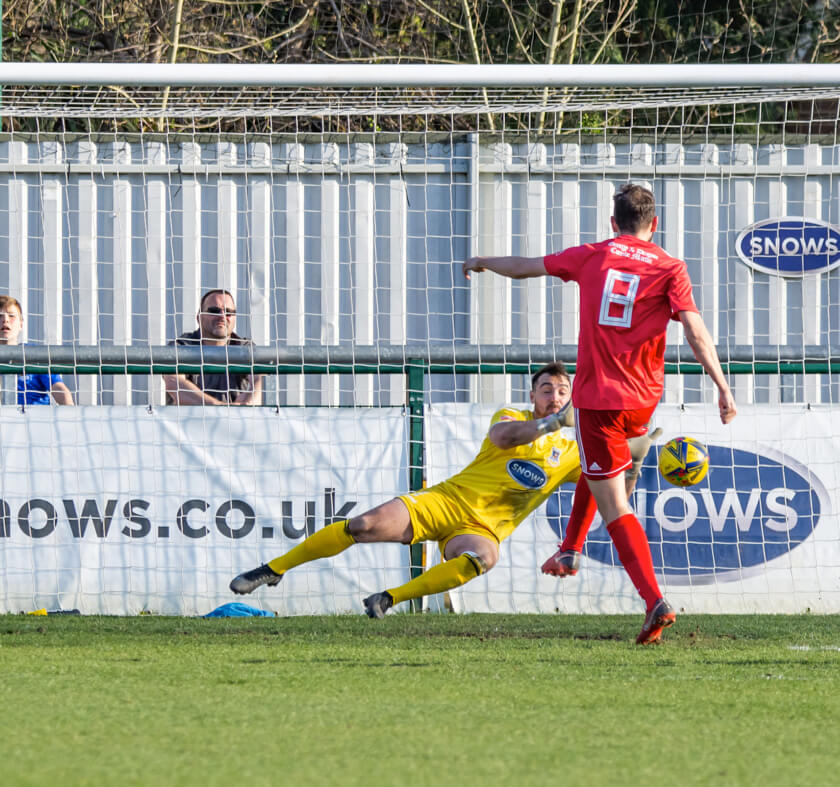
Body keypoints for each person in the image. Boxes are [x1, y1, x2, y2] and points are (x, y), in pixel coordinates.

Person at [464, 182, 737, 645]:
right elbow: (693, 329)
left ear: (613, 223)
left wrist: (484, 261)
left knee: (615, 504)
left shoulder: (592, 254)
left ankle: (654, 601)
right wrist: (722, 386)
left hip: (599, 400)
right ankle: (570, 550)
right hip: (643, 398)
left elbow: (528, 268)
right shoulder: (672, 266)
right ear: (655, 225)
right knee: (599, 467)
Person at [229, 362, 584, 617]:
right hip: (446, 501)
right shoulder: (513, 416)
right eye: (547, 389)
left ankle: (388, 599)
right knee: (362, 525)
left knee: (484, 558)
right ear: (533, 394)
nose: (555, 396)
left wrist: (636, 444)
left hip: (482, 530)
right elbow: (503, 438)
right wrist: (552, 422)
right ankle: (275, 568)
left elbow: (612, 475)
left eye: (562, 391)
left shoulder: (570, 454)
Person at [165, 289, 263, 405]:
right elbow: (175, 385)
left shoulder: (245, 348)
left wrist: (245, 405)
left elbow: (259, 384)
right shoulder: (181, 346)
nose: (222, 316)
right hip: (190, 421)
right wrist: (218, 408)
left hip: (235, 420)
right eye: (214, 311)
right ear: (199, 318)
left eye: (229, 312)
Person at [0, 295, 75, 406]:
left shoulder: (34, 354)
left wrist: (71, 415)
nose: (5, 320)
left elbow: (59, 388)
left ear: (21, 324)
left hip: (34, 419)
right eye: (0, 316)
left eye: (11, 316)